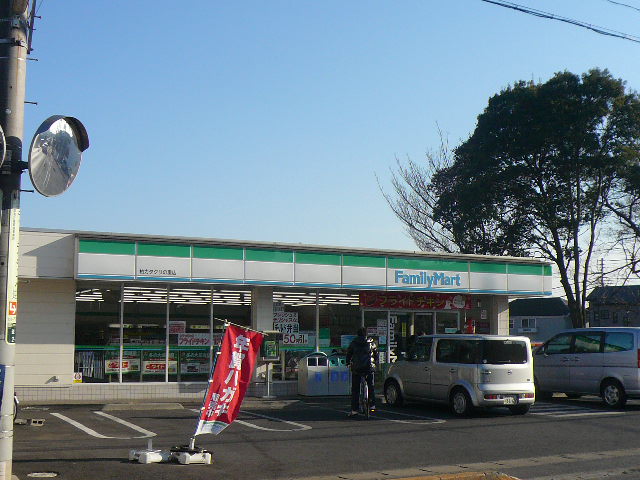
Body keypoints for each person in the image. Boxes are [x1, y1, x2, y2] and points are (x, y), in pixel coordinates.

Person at [346, 327, 378, 417]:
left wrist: (348, 362)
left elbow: (349, 354)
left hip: (357, 368)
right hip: (369, 367)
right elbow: (376, 354)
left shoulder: (354, 343)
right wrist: (375, 362)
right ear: (366, 334)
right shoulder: (371, 342)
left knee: (355, 389)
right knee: (371, 386)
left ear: (358, 334)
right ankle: (372, 405)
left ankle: (354, 410)